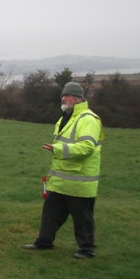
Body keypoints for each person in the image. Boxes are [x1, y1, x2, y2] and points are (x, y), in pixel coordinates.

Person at [24, 82, 103, 259]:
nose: (63, 98)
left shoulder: (88, 119)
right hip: (61, 180)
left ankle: (87, 249)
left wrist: (58, 150)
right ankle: (44, 241)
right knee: (50, 213)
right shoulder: (65, 117)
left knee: (82, 218)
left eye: (67, 96)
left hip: (79, 180)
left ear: (78, 99)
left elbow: (87, 147)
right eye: (63, 95)